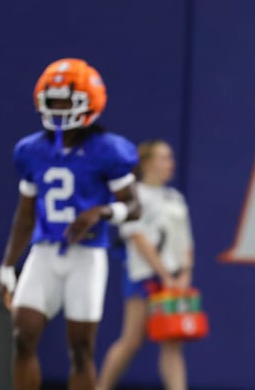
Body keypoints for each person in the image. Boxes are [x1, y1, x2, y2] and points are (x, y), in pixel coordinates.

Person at [0, 58, 141, 390]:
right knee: (23, 336)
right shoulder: (32, 150)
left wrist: (101, 212)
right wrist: (9, 264)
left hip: (87, 254)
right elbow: (25, 213)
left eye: (68, 102)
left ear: (90, 103)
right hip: (45, 251)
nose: (60, 110)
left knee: (81, 349)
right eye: (54, 102)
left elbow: (134, 206)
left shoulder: (107, 150)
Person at [97, 140, 194, 390]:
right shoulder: (134, 194)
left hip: (173, 278)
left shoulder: (174, 197)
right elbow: (137, 236)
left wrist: (184, 273)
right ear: (147, 162)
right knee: (132, 339)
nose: (170, 163)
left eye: (171, 157)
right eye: (163, 157)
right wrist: (162, 273)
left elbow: (185, 241)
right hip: (143, 276)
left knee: (172, 340)